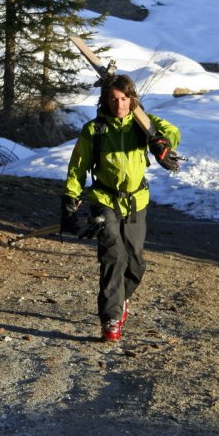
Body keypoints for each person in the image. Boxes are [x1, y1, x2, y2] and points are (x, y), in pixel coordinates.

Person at [61, 74, 181, 342]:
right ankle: (111, 318)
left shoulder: (143, 125)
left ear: (132, 99)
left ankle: (122, 298)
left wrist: (163, 143)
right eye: (113, 99)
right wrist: (70, 198)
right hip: (104, 200)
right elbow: (77, 166)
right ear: (105, 100)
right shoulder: (95, 130)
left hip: (136, 200)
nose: (120, 105)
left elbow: (172, 131)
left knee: (136, 262)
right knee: (113, 255)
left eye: (125, 99)